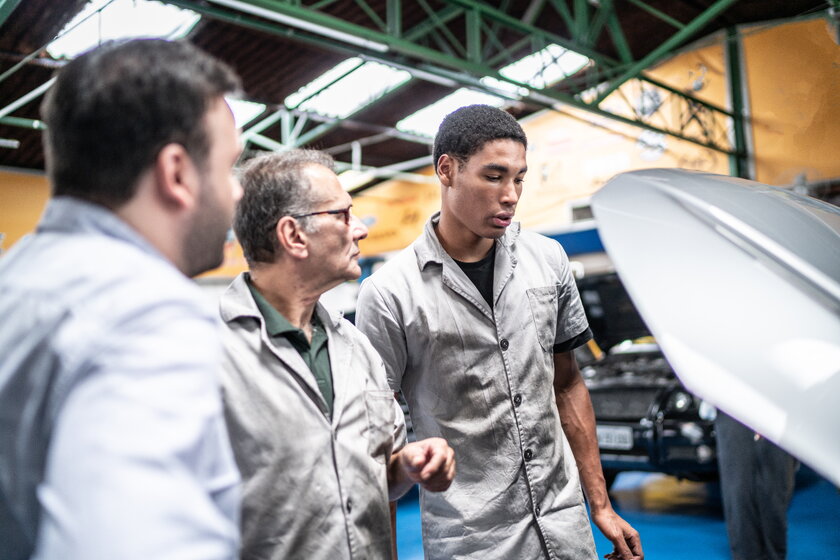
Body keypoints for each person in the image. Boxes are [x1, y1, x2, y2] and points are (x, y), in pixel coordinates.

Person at [356, 104, 643, 560]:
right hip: (474, 542)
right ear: (446, 170)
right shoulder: (390, 293)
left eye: (519, 178)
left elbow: (567, 384)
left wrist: (601, 506)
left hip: (564, 526)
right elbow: (375, 440)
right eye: (493, 176)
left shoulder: (548, 262)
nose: (511, 194)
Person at [0, 39, 244, 559]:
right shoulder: (145, 315)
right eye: (228, 169)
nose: (236, 193)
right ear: (176, 173)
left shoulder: (14, 278)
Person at [220, 149, 456, 559]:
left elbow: (375, 475)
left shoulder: (355, 347)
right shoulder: (210, 356)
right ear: (293, 235)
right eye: (343, 215)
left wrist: (406, 466)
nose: (360, 230)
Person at [714, 411, 798, 560]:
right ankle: (746, 555)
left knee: (775, 493)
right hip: (733, 405)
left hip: (778, 409)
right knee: (739, 492)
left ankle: (774, 554)